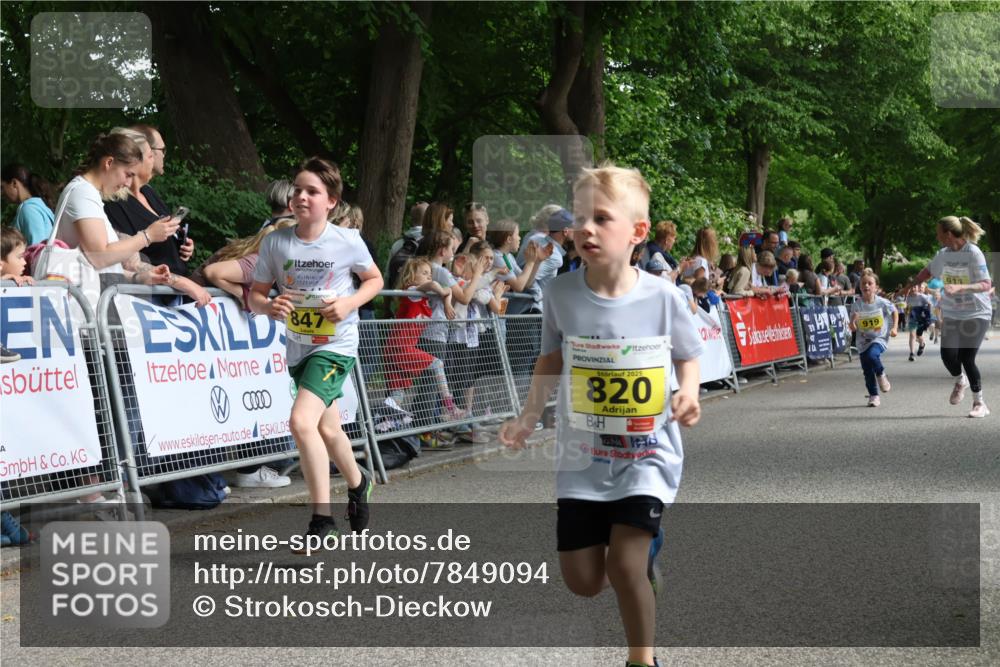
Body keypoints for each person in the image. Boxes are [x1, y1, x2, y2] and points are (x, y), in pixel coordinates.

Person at [499, 163, 703, 667]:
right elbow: (550, 358)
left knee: (626, 565)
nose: (584, 229)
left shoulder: (662, 295)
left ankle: (642, 660)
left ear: (636, 233)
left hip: (646, 454)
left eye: (601, 218)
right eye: (580, 218)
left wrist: (690, 393)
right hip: (582, 460)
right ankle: (641, 557)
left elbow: (688, 353)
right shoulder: (560, 293)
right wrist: (528, 416)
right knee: (585, 581)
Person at [248, 157, 383, 549]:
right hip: (299, 347)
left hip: (336, 346)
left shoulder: (346, 240)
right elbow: (256, 294)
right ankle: (359, 484)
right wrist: (269, 306)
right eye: (298, 189)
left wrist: (349, 303)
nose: (301, 197)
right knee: (327, 428)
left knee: (301, 422)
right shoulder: (276, 241)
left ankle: (321, 518)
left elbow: (374, 280)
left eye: (312, 191)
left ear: (332, 202)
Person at [52, 134, 180, 289]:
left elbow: (96, 266)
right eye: (128, 175)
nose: (128, 183)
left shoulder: (87, 192)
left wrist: (138, 278)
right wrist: (148, 236)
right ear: (109, 162)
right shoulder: (83, 192)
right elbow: (99, 257)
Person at [901, 215, 993, 418]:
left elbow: (986, 284)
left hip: (976, 312)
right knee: (948, 356)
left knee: (966, 357)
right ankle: (961, 380)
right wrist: (908, 286)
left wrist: (961, 287)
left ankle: (979, 403)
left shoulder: (973, 253)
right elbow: (927, 271)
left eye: (938, 233)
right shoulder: (943, 254)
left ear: (949, 234)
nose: (937, 237)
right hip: (952, 313)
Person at [384, 256, 461, 448]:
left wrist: (447, 302)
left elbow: (449, 290)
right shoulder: (411, 290)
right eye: (424, 273)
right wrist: (442, 292)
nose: (428, 277)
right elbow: (436, 285)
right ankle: (449, 405)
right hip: (400, 347)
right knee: (437, 363)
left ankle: (384, 431)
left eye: (429, 273)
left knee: (397, 395)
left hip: (397, 348)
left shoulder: (422, 295)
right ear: (412, 275)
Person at [104, 127, 193, 277]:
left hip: (176, 284)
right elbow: (127, 260)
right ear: (134, 160)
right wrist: (148, 236)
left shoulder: (148, 191)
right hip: (153, 289)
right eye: (151, 156)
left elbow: (164, 236)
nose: (157, 160)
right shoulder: (113, 202)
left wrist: (181, 244)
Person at [849, 270, 898, 407]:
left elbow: (894, 311)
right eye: (863, 283)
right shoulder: (856, 305)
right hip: (863, 341)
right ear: (860, 286)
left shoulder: (882, 302)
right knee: (867, 370)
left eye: (870, 283)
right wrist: (853, 321)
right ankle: (874, 395)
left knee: (872, 355)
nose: (866, 286)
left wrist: (894, 328)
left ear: (876, 287)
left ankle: (881, 374)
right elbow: (852, 328)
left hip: (879, 338)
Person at [1, 164, 54, 245]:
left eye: (2, 187)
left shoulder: (29, 209)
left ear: (14, 183)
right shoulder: (38, 205)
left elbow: (37, 250)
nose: (1, 193)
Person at [905, 281, 933, 362]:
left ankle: (922, 344)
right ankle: (911, 353)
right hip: (912, 319)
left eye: (914, 287)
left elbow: (929, 304)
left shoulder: (922, 297)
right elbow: (906, 308)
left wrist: (927, 315)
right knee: (912, 335)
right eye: (911, 287)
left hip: (921, 319)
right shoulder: (908, 297)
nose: (913, 289)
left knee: (918, 336)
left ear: (918, 288)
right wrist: (906, 309)